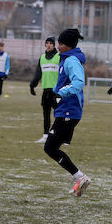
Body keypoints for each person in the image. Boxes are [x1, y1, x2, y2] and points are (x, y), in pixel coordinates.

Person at [43, 28, 91, 197]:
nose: (58, 45)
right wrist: (53, 95)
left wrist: (60, 94)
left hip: (69, 112)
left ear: (68, 45)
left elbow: (78, 83)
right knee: (51, 147)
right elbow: (64, 83)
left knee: (50, 147)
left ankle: (79, 177)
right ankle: (78, 179)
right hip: (65, 111)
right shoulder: (66, 59)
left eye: (61, 43)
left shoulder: (71, 60)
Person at [30, 36, 60, 143]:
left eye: (51, 43)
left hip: (57, 91)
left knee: (59, 114)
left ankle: (60, 136)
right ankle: (45, 135)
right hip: (46, 91)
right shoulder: (42, 58)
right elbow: (38, 73)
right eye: (47, 43)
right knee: (46, 113)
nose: (48, 45)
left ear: (54, 44)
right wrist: (32, 85)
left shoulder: (59, 56)